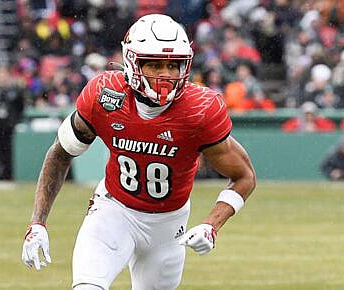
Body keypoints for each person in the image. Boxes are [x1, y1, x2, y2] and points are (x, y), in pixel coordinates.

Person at [21, 14, 256, 290]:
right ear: (133, 62)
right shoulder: (105, 95)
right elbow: (61, 153)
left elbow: (244, 176)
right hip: (114, 210)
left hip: (169, 226)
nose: (166, 75)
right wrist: (37, 222)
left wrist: (211, 225)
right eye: (155, 65)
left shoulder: (199, 110)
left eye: (173, 65)